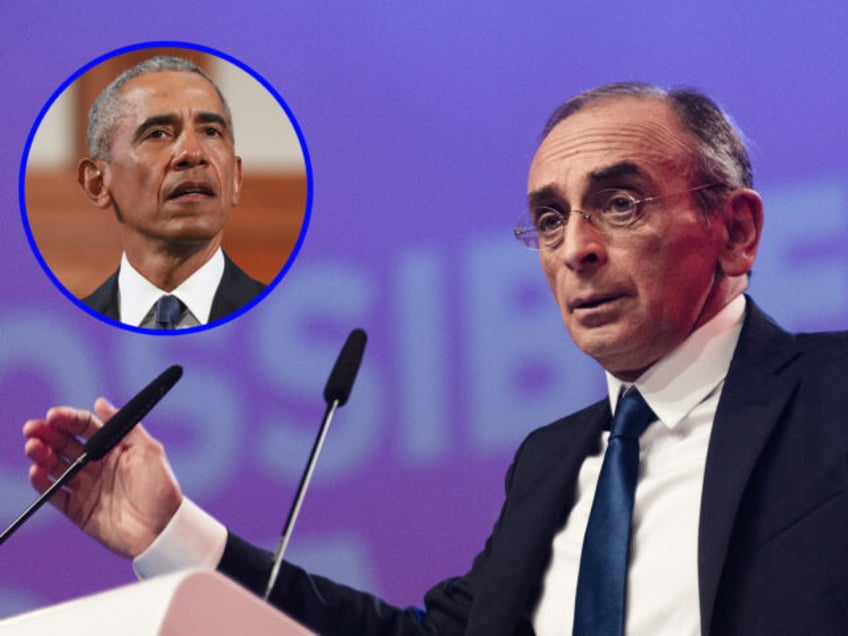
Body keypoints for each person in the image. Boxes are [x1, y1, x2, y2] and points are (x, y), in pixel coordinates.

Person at [23, 82, 848, 635]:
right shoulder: (552, 463)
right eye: (550, 220)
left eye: (620, 203)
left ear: (735, 230)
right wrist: (174, 534)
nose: (577, 250)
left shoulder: (831, 397)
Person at [76, 56, 265, 329]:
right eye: (158, 134)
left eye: (211, 131)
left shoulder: (279, 330)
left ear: (235, 179)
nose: (193, 153)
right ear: (97, 183)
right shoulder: (68, 335)